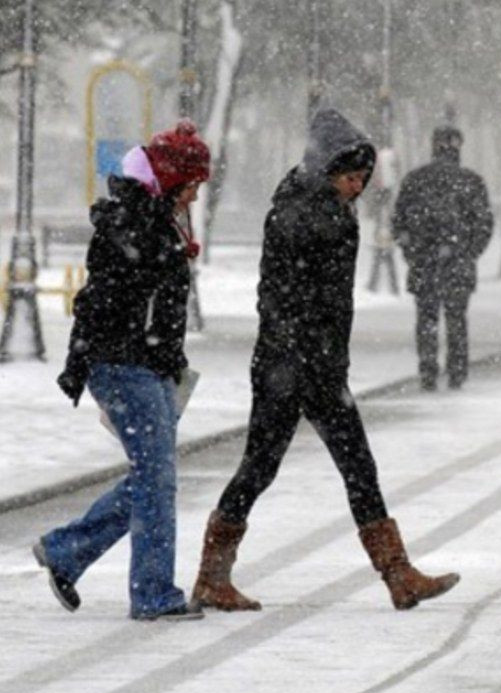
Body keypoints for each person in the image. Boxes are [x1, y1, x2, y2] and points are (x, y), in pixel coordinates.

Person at [192, 109, 459, 612]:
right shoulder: (302, 214)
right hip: (291, 366)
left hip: (313, 365)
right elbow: (280, 297)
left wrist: (325, 358)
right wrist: (304, 357)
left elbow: (324, 302)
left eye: (362, 178)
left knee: (348, 465)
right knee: (265, 467)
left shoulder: (323, 208)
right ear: (325, 168)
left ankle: (398, 575)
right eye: (349, 176)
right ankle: (212, 577)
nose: (356, 186)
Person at [35, 120, 209, 621]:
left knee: (153, 476)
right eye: (193, 186)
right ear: (174, 179)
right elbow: (105, 300)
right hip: (122, 364)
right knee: (157, 478)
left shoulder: (156, 220)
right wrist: (87, 360)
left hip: (146, 364)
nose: (195, 197)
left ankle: (66, 550)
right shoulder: (132, 221)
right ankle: (152, 593)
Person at [392, 125, 494, 391]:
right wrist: (468, 252)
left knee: (426, 319)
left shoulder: (415, 180)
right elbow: (484, 225)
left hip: (423, 263)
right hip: (457, 264)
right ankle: (457, 370)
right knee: (456, 318)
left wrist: (412, 252)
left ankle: (428, 370)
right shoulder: (471, 182)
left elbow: (399, 222)